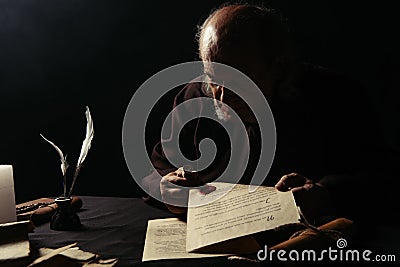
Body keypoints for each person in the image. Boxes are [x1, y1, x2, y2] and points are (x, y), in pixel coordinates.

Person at [141, 3, 388, 231]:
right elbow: (158, 167)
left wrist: (326, 193)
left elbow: (384, 179)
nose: (223, 98)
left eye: (240, 79)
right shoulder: (195, 98)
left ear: (278, 67)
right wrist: (165, 188)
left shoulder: (336, 98)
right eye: (213, 78)